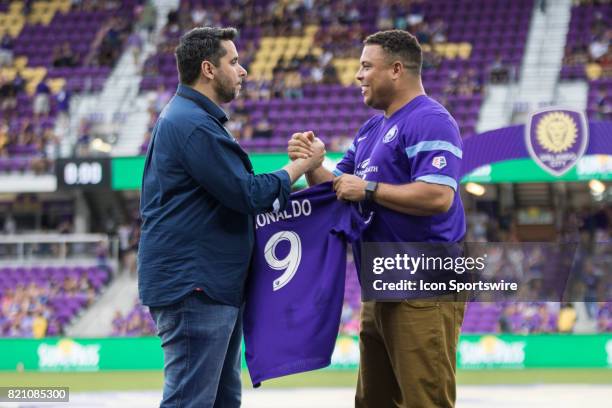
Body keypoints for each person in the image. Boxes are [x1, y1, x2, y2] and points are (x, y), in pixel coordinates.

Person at [138, 27, 324, 408]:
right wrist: (301, 166)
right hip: (195, 286)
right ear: (208, 69)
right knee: (190, 401)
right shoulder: (192, 124)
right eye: (234, 62)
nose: (243, 71)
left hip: (208, 284)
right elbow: (247, 194)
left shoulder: (190, 119)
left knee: (222, 401)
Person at [288, 30, 466, 408]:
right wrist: (312, 163)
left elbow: (439, 195)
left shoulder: (431, 119)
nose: (358, 76)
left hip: (423, 285)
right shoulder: (371, 129)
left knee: (424, 401)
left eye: (367, 66)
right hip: (381, 284)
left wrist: (368, 189)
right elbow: (339, 188)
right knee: (373, 401)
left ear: (397, 69)